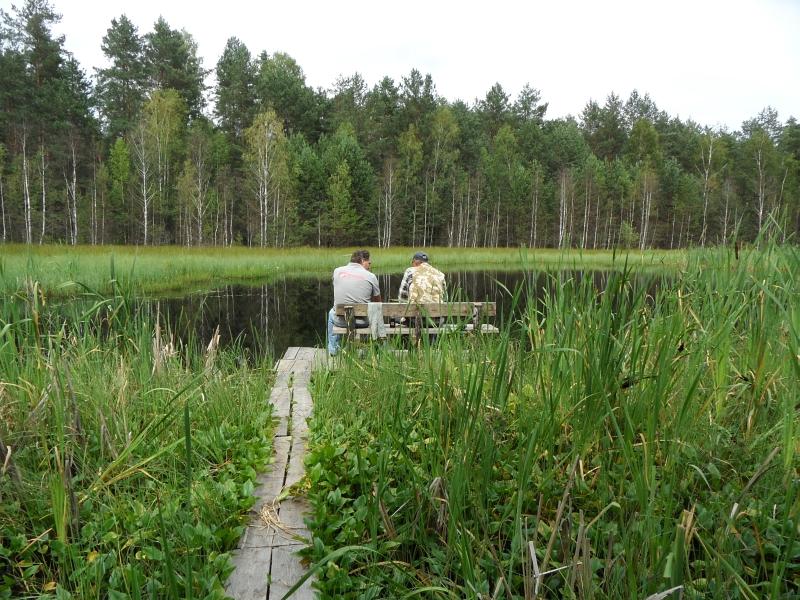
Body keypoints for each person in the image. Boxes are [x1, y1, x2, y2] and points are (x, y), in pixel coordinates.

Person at [327, 249, 381, 356]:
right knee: (372, 313)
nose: (369, 266)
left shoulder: (337, 271)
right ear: (362, 261)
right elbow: (378, 303)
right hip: (362, 323)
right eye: (369, 263)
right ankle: (364, 349)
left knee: (331, 313)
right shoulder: (371, 276)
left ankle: (333, 349)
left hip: (341, 321)